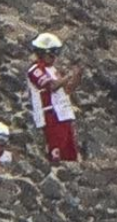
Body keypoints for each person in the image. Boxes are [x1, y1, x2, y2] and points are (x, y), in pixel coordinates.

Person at [26, 32, 83, 163]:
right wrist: (67, 76)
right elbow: (51, 87)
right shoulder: (35, 70)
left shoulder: (53, 70)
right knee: (56, 150)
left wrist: (77, 76)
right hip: (51, 114)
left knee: (69, 153)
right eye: (52, 54)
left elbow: (67, 90)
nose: (54, 58)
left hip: (63, 113)